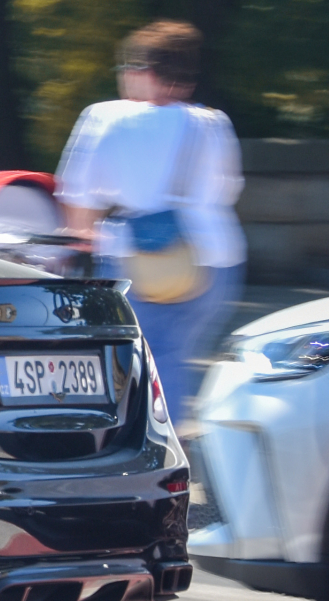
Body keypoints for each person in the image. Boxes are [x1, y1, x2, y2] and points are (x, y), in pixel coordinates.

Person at [54, 21, 246, 415]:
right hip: (214, 261)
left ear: (147, 72)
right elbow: (227, 189)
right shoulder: (213, 122)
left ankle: (156, 456)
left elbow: (77, 198)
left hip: (140, 265)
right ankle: (169, 447)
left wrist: (82, 241)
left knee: (145, 363)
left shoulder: (105, 118)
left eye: (128, 67)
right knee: (173, 357)